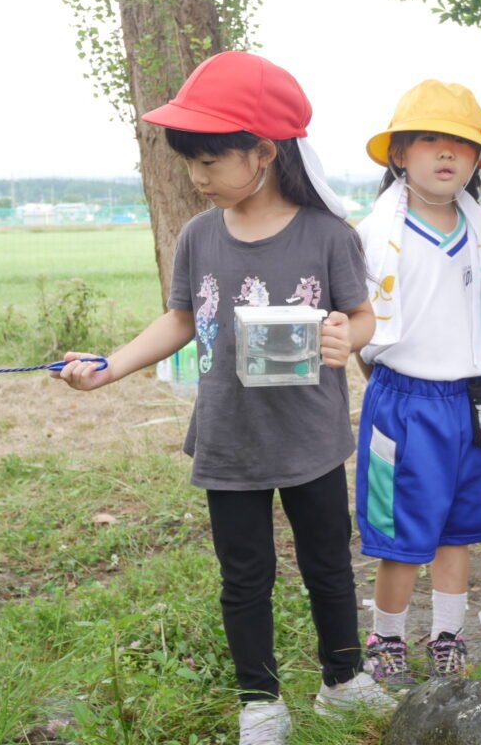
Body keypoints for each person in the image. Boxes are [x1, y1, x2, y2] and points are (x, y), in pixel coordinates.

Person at [52, 51, 394, 745]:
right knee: (244, 576)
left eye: (210, 160)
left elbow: (362, 318)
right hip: (229, 439)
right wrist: (109, 366)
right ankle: (259, 702)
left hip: (311, 440)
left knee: (327, 562)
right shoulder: (199, 237)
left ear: (264, 152)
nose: (196, 176)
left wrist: (342, 334)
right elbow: (180, 319)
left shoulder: (328, 236)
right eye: (189, 162)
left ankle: (342, 680)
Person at [354, 80, 481, 691]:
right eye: (429, 140)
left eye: (462, 145)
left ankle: (448, 635)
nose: (446, 154)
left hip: (469, 400)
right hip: (404, 402)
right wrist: (391, 386)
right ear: (398, 155)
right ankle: (387, 636)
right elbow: (363, 325)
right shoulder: (375, 233)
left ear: (475, 162)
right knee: (400, 534)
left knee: (457, 527)